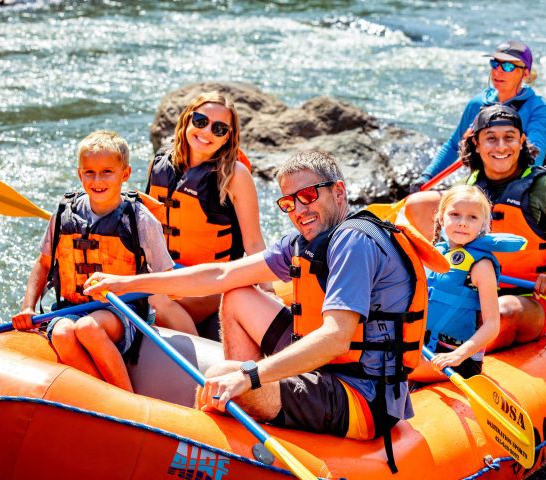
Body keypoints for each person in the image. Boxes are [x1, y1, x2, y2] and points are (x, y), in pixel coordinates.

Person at [83, 151, 448, 472]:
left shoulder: (355, 242)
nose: (299, 210)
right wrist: (128, 283)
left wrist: (249, 376)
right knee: (238, 293)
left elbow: (337, 337)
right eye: (289, 203)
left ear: (338, 192)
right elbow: (222, 273)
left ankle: (235, 406)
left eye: (307, 195)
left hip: (362, 396)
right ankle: (252, 413)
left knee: (227, 375)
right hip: (328, 369)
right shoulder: (305, 241)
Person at [404, 104, 546, 351]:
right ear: (477, 144)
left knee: (502, 312)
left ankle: (447, 353)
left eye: (509, 138)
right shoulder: (467, 188)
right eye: (491, 139)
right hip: (472, 295)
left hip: (528, 300)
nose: (501, 147)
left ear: (522, 141)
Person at [11, 130, 173, 392]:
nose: (97, 180)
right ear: (79, 174)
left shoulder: (139, 219)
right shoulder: (65, 214)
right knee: (63, 333)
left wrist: (123, 285)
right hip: (69, 308)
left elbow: (166, 277)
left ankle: (127, 400)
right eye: (89, 172)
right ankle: (106, 397)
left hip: (123, 312)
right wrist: (28, 307)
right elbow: (43, 264)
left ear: (125, 174)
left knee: (87, 327)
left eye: (107, 171)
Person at [144, 91, 269, 335]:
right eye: (201, 121)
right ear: (187, 121)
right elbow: (145, 227)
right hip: (169, 275)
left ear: (228, 138)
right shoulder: (159, 164)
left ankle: (197, 365)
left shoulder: (235, 176)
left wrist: (269, 291)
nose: (207, 132)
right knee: (140, 292)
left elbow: (253, 242)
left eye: (219, 129)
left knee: (155, 299)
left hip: (214, 281)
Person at [405, 40, 546, 231]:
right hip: (479, 183)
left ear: (525, 73)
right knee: (418, 204)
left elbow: (535, 157)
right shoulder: (478, 104)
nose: (498, 71)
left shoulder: (539, 108)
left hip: (520, 186)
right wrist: (426, 177)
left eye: (508, 66)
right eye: (495, 63)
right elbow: (453, 146)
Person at [408, 185, 525, 382]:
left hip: (457, 360)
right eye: (455, 214)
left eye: (473, 217)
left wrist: (457, 355)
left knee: (382, 368)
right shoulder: (437, 253)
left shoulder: (481, 266)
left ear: (483, 225)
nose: (463, 223)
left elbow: (492, 325)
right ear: (441, 217)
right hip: (423, 348)